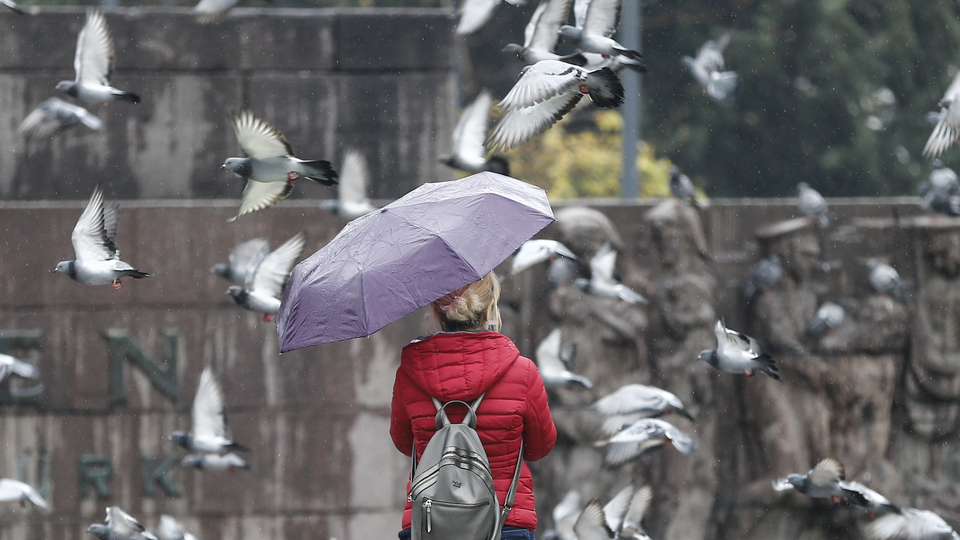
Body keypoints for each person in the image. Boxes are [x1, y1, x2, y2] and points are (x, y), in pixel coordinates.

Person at [390, 272, 557, 540]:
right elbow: (540, 447)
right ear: (490, 307)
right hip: (504, 520)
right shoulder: (522, 372)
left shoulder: (409, 373)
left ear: (436, 310)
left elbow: (403, 442)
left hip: (433, 522)